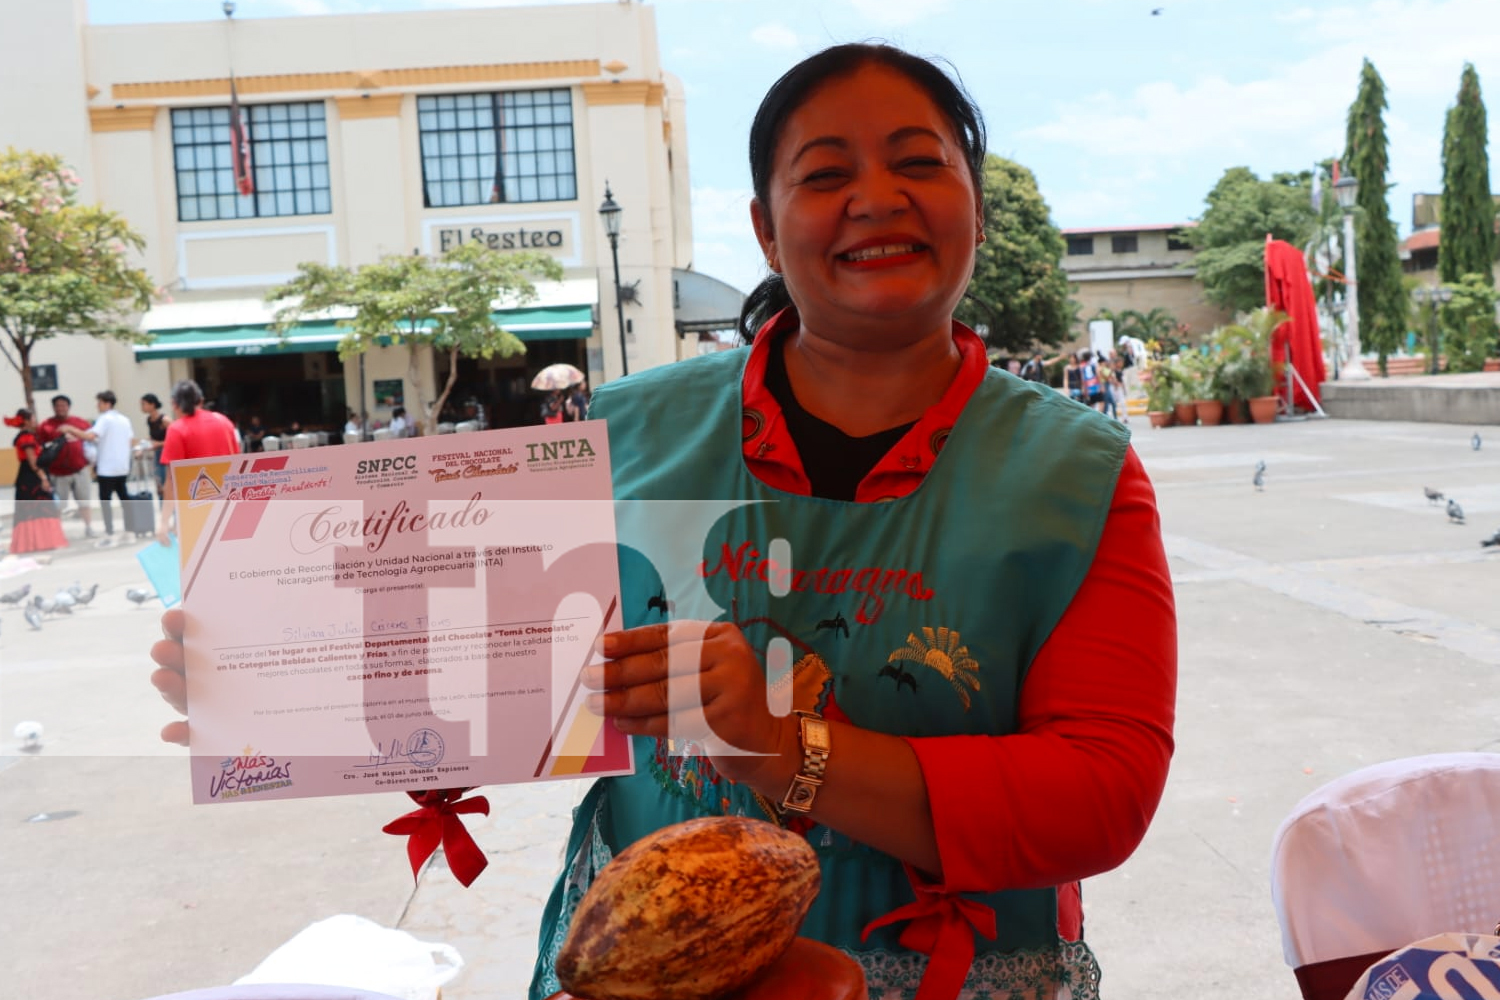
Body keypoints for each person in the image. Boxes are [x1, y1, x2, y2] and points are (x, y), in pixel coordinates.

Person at [150, 44, 1176, 1000]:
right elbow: (478, 662)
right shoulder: (623, 431)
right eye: (824, 175)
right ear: (768, 228)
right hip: (650, 967)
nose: (875, 198)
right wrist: (276, 669)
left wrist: (782, 744)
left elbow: (1102, 791)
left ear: (977, 210)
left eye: (919, 162)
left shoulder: (1076, 474)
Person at [155, 379, 241, 546]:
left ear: (174, 404)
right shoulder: (224, 422)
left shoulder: (177, 430)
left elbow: (172, 481)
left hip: (196, 510)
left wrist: (165, 522)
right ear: (200, 401)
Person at [58, 390, 134, 547]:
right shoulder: (124, 420)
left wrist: (70, 429)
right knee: (124, 499)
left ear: (107, 403)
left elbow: (91, 436)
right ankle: (129, 531)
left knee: (105, 501)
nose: (97, 406)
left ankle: (110, 533)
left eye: (99, 402)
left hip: (107, 468)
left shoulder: (105, 419)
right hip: (122, 466)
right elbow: (129, 440)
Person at [6, 408, 67, 554]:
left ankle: (35, 542)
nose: (35, 421)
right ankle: (41, 542)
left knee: (33, 509)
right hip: (32, 479)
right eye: (33, 418)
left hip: (27, 477)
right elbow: (33, 463)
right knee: (39, 508)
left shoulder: (26, 437)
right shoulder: (26, 438)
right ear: (26, 421)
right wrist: (43, 478)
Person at [38, 394, 97, 538]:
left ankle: (89, 527)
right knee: (58, 505)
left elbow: (92, 438)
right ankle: (56, 532)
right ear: (53, 408)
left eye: (63, 405)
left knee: (84, 501)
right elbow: (40, 447)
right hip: (58, 473)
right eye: (57, 406)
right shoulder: (46, 426)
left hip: (80, 469)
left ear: (68, 407)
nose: (60, 408)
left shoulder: (80, 422)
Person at [140, 393, 171, 499]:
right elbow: (152, 437)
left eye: (144, 404)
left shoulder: (165, 420)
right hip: (157, 454)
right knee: (158, 482)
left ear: (152, 404)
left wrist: (159, 444)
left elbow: (174, 439)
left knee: (166, 481)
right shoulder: (149, 420)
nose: (142, 407)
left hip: (166, 454)